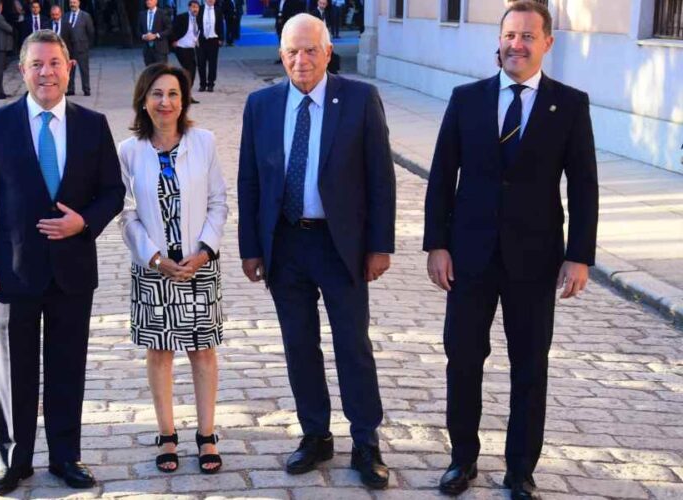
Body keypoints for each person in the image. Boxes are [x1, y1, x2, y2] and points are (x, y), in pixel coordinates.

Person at [423, 2, 598, 498]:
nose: (516, 44)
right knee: (462, 358)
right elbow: (441, 177)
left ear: (547, 43)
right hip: (469, 257)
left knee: (529, 366)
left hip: (535, 259)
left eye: (527, 36)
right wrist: (436, 243)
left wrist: (579, 254)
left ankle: (521, 470)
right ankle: (462, 461)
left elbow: (584, 185)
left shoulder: (570, 105)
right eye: (509, 35)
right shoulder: (466, 99)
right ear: (497, 41)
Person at [237, 13, 395, 489]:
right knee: (299, 345)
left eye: (310, 50)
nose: (301, 60)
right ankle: (315, 434)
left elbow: (380, 178)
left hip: (340, 244)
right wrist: (251, 247)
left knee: (353, 345)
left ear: (328, 52)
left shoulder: (359, 99)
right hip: (285, 243)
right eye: (292, 51)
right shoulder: (261, 105)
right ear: (281, 55)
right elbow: (250, 181)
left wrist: (379, 245)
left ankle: (366, 441)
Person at [0, 29, 125, 495]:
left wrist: (85, 222)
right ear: (23, 71)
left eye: (54, 63)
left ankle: (65, 456)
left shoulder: (93, 125)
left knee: (67, 365)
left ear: (69, 67)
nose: (46, 72)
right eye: (36, 64)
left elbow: (113, 191)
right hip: (13, 271)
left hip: (73, 269)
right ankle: (14, 460)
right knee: (14, 369)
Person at [118, 63, 227, 475]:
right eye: (157, 94)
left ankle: (206, 434)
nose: (166, 102)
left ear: (184, 101)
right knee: (160, 351)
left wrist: (203, 252)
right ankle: (166, 433)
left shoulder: (204, 142)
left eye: (174, 94)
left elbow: (219, 201)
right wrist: (156, 259)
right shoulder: (129, 151)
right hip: (153, 268)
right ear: (143, 102)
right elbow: (126, 214)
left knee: (202, 350)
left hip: (198, 265)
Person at [170, 0, 200, 102]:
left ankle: (186, 95)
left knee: (192, 72)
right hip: (181, 47)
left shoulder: (198, 19)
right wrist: (173, 41)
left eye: (196, 7)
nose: (195, 9)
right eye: (193, 7)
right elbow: (173, 29)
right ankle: (185, 96)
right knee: (188, 71)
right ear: (189, 7)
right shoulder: (182, 17)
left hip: (191, 48)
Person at [65, 0, 94, 96]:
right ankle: (70, 89)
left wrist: (87, 45)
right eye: (71, 2)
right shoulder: (66, 16)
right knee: (69, 70)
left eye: (74, 2)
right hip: (69, 48)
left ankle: (86, 89)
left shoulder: (85, 16)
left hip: (82, 47)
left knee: (84, 69)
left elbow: (90, 32)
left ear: (79, 3)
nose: (72, 4)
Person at [196, 0, 224, 92]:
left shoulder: (218, 10)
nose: (211, 0)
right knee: (201, 63)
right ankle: (202, 84)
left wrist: (221, 38)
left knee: (212, 63)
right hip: (201, 40)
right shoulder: (199, 9)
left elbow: (220, 24)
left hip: (213, 40)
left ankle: (211, 84)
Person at [139, 0, 171, 65]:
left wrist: (156, 35)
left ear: (156, 1)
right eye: (147, 0)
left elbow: (169, 29)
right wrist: (143, 36)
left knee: (161, 71)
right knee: (150, 72)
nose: (148, 1)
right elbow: (138, 30)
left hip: (160, 49)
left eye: (151, 0)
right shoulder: (142, 14)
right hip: (147, 50)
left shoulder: (163, 13)